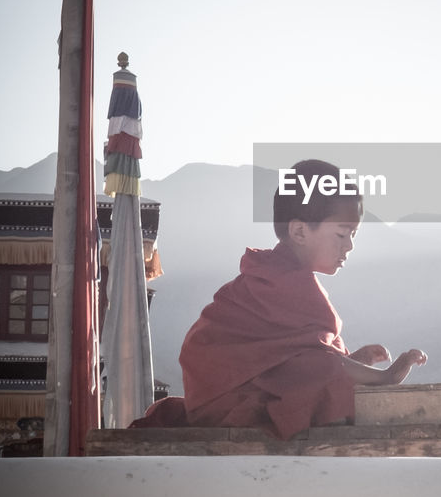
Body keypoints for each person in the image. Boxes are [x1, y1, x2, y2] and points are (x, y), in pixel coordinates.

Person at [161, 159, 426, 440]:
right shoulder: (285, 281)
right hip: (228, 403)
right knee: (324, 369)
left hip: (220, 397)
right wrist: (381, 376)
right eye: (342, 233)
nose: (349, 245)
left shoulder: (277, 273)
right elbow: (314, 363)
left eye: (353, 234)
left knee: (323, 367)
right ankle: (383, 378)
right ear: (299, 231)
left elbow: (292, 358)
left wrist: (350, 363)